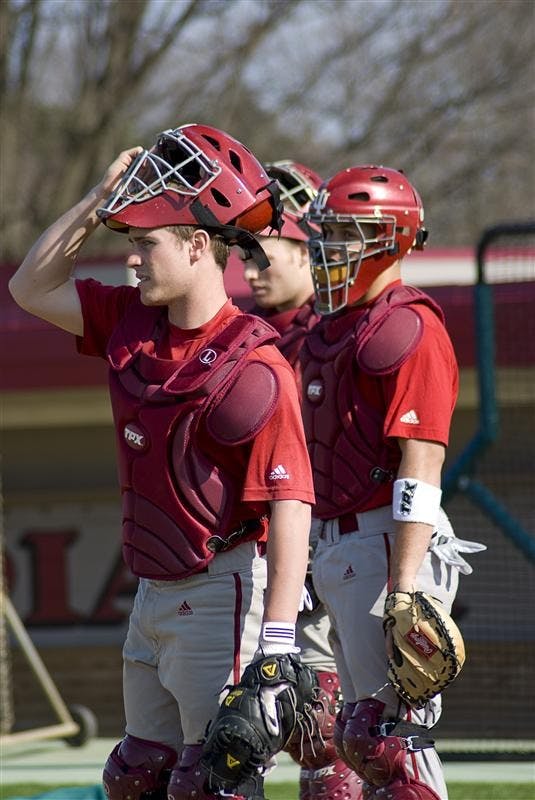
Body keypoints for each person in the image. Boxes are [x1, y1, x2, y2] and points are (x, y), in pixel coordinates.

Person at [8, 124, 316, 800]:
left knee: (211, 782)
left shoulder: (253, 361)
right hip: (150, 591)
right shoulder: (130, 322)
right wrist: (99, 198)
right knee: (134, 778)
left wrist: (276, 643)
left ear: (199, 245)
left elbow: (291, 504)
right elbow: (31, 287)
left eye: (146, 244)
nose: (132, 261)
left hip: (219, 589)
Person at [299, 165, 485, 800]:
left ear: (388, 239)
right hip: (341, 544)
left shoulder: (405, 324)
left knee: (392, 744)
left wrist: (405, 585)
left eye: (345, 233)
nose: (327, 247)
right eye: (326, 232)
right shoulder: (334, 327)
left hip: (389, 542)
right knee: (361, 740)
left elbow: (421, 461)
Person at [241, 160, 363, 800]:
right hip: (254, 551)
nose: (250, 272)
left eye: (265, 256)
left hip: (331, 547)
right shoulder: (243, 336)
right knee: (246, 731)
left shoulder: (336, 334)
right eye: (246, 258)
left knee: (325, 731)